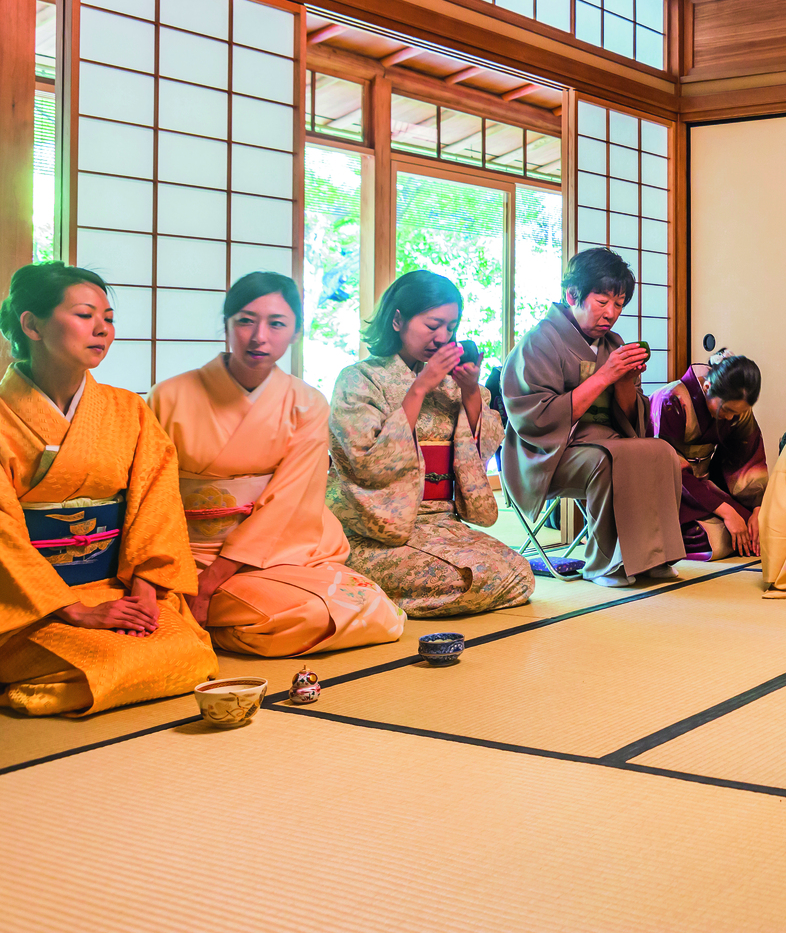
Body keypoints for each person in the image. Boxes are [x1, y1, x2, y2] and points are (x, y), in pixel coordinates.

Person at [147, 273, 405, 657]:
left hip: (284, 549)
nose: (259, 336)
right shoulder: (169, 396)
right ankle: (202, 615)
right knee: (302, 615)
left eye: (277, 324)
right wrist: (184, 576)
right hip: (193, 553)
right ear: (226, 325)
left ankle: (206, 618)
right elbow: (150, 493)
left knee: (373, 609)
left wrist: (216, 580)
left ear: (296, 333)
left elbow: (290, 500)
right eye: (246, 321)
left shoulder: (307, 402)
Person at [0, 263, 215, 715]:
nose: (102, 328)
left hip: (114, 590)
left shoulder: (128, 411)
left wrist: (146, 589)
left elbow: (156, 504)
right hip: (28, 605)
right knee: (110, 660)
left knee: (189, 653)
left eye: (109, 317)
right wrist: (73, 610)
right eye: (84, 314)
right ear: (31, 324)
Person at [326, 270, 533, 617]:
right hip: (379, 531)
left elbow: (482, 444)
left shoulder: (450, 383)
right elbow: (365, 460)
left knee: (518, 574)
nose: (443, 337)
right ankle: (357, 580)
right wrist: (420, 387)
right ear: (397, 320)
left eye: (450, 327)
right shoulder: (358, 379)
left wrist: (469, 389)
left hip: (441, 524)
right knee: (467, 578)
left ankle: (373, 598)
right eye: (433, 324)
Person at [501, 248, 685, 586]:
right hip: (546, 454)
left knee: (662, 452)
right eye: (602, 302)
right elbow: (534, 418)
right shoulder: (539, 342)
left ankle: (654, 557)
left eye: (619, 304)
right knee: (608, 460)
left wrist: (626, 381)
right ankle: (605, 564)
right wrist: (604, 376)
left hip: (603, 441)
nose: (611, 314)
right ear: (573, 295)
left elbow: (633, 421)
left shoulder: (612, 344)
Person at [651, 351, 768, 561]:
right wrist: (728, 513)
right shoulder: (673, 400)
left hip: (703, 484)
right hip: (667, 487)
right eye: (728, 410)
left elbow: (749, 456)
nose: (731, 417)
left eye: (737, 413)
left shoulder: (737, 410)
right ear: (706, 388)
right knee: (713, 539)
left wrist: (758, 510)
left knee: (758, 531)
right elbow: (668, 466)